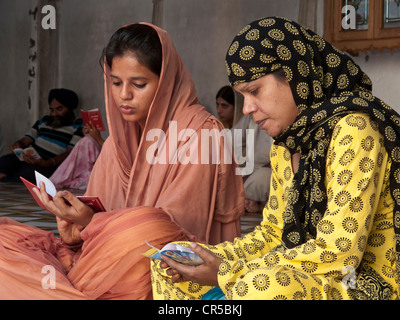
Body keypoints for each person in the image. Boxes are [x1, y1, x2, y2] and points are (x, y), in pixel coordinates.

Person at [151, 16, 400, 300]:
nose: (247, 108)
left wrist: (228, 272)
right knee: (172, 269)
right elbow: (272, 234)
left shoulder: (355, 130)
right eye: (242, 95)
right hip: (299, 270)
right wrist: (208, 258)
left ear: (294, 75)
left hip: (361, 280)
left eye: (254, 91)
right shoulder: (285, 143)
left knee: (264, 287)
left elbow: (338, 254)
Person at [0, 23, 244, 299]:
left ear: (165, 82)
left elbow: (172, 237)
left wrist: (93, 222)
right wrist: (77, 222)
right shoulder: (119, 139)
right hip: (106, 256)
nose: (123, 95)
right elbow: (94, 217)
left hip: (167, 270)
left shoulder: (200, 132)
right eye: (115, 82)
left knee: (146, 226)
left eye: (138, 84)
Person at [0, 88, 83, 183]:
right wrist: (18, 145)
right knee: (4, 161)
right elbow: (25, 140)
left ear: (70, 109)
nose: (54, 114)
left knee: (28, 174)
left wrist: (46, 163)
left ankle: (4, 179)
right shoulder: (44, 120)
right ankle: (6, 179)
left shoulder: (78, 126)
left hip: (50, 166)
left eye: (59, 109)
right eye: (52, 110)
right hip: (29, 159)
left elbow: (70, 154)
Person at [233, 112, 273, 213]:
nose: (247, 108)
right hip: (247, 174)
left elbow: (278, 163)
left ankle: (237, 201)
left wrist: (245, 179)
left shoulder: (281, 120)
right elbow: (230, 140)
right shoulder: (251, 115)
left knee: (264, 176)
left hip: (266, 173)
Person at [50, 122, 104, 190]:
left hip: (103, 172)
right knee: (87, 140)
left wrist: (98, 138)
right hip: (90, 175)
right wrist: (93, 136)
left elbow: (115, 153)